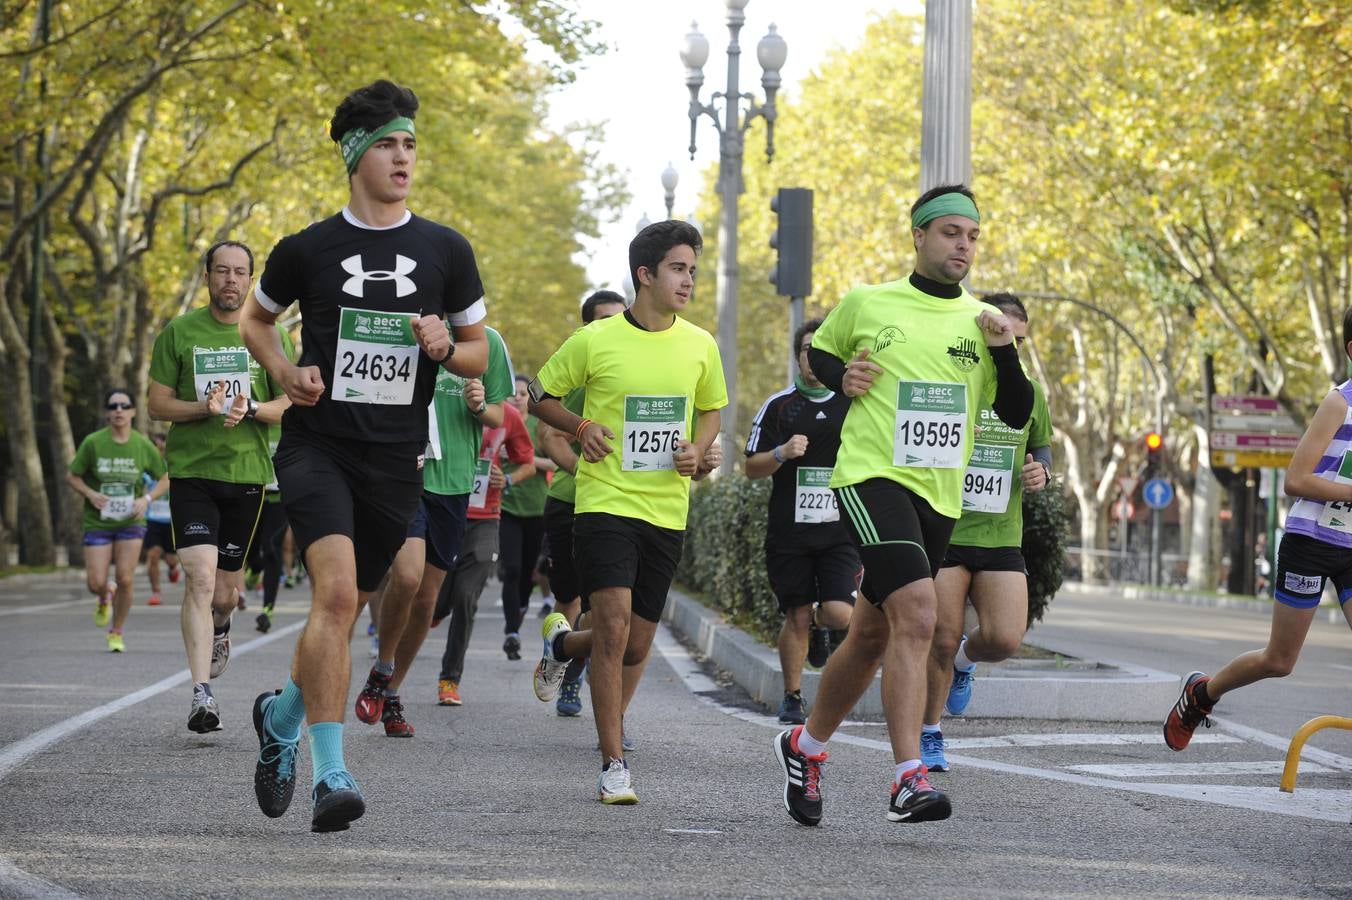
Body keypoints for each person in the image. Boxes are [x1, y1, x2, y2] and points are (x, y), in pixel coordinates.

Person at [239, 79, 488, 833]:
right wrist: (285, 371)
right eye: (387, 144)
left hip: (397, 460)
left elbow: (478, 353)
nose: (403, 157)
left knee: (344, 615)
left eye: (410, 144)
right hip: (319, 448)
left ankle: (281, 716)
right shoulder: (306, 248)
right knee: (339, 599)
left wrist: (449, 348)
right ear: (356, 157)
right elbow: (257, 321)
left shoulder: (446, 248)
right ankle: (332, 774)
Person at [772, 185, 1032, 827]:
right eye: (949, 233)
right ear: (918, 236)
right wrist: (842, 378)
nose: (963, 245)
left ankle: (804, 746)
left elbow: (1015, 412)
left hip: (939, 496)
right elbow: (823, 353)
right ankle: (907, 778)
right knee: (918, 613)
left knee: (869, 635)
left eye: (971, 235)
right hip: (871, 477)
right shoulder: (869, 301)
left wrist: (1006, 352)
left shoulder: (982, 322)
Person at [528, 220, 726, 804]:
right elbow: (539, 395)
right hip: (604, 504)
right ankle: (614, 765)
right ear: (646, 274)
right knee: (612, 628)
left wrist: (698, 445)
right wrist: (582, 426)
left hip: (666, 509)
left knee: (636, 646)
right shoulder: (596, 339)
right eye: (678, 268)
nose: (688, 279)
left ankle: (563, 648)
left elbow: (712, 408)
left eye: (692, 269)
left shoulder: (700, 344)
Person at [1164, 306, 1352, 753]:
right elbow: (1296, 480)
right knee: (1280, 660)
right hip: (1311, 542)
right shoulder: (1339, 403)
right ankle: (1201, 695)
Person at [148, 241, 290, 732]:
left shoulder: (266, 335)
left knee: (225, 593)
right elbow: (156, 404)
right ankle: (200, 694)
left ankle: (222, 627)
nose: (231, 280)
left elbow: (290, 402)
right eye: (222, 271)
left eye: (240, 272)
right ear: (207, 276)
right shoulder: (180, 332)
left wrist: (251, 408)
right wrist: (198, 409)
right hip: (191, 473)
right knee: (200, 579)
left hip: (247, 476)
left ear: (250, 280)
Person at [353, 323, 512, 723]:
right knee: (406, 576)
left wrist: (479, 405)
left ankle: (390, 691)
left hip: (455, 483)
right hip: (405, 474)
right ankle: (383, 667)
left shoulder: (485, 342)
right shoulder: (402, 330)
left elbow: (499, 415)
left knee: (426, 598)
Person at [920, 293, 1053, 772]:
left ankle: (964, 661)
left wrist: (1042, 474)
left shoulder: (1031, 393)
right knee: (940, 633)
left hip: (1000, 533)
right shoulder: (953, 381)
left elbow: (1042, 448)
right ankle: (930, 733)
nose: (1007, 346)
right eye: (1000, 336)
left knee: (1003, 638)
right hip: (947, 529)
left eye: (1015, 340)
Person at [745, 318, 859, 725]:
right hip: (789, 531)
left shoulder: (853, 403)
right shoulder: (780, 406)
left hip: (840, 529)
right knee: (793, 614)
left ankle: (819, 623)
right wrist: (781, 453)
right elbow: (751, 468)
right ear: (797, 356)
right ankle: (792, 696)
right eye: (808, 349)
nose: (814, 358)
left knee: (841, 614)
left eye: (823, 350)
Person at [536, 290, 628, 717]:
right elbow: (549, 434)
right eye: (603, 319)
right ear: (586, 327)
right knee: (572, 598)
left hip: (622, 508)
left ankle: (581, 673)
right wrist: (583, 469)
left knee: (605, 606)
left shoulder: (635, 374)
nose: (613, 324)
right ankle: (568, 671)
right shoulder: (580, 379)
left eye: (619, 316)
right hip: (570, 502)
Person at [436, 391, 536, 696]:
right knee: (433, 600)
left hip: (485, 517)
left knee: (466, 596)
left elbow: (527, 463)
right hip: (443, 509)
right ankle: (435, 609)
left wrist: (506, 480)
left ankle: (450, 679)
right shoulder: (443, 400)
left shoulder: (507, 414)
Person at [67, 389, 168, 651]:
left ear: (134, 411)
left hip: (131, 522)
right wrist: (90, 494)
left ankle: (116, 631)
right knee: (95, 582)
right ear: (107, 413)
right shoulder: (93, 442)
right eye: (113, 406)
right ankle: (104, 595)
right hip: (98, 521)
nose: (119, 411)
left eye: (125, 406)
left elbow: (166, 477)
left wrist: (145, 500)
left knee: (125, 578)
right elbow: (73, 476)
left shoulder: (142, 445)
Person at [498, 374, 556, 659]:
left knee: (528, 575)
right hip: (506, 507)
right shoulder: (497, 422)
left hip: (537, 509)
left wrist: (527, 461)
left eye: (523, 393)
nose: (518, 397)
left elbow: (558, 462)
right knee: (511, 569)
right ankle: (512, 631)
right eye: (513, 393)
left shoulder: (538, 426)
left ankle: (518, 614)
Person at [142, 433, 179, 607]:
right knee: (153, 555)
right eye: (155, 445)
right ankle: (156, 592)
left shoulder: (175, 463)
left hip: (172, 519)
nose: (159, 448)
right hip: (153, 519)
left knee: (172, 559)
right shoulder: (147, 466)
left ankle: (173, 568)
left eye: (162, 445)